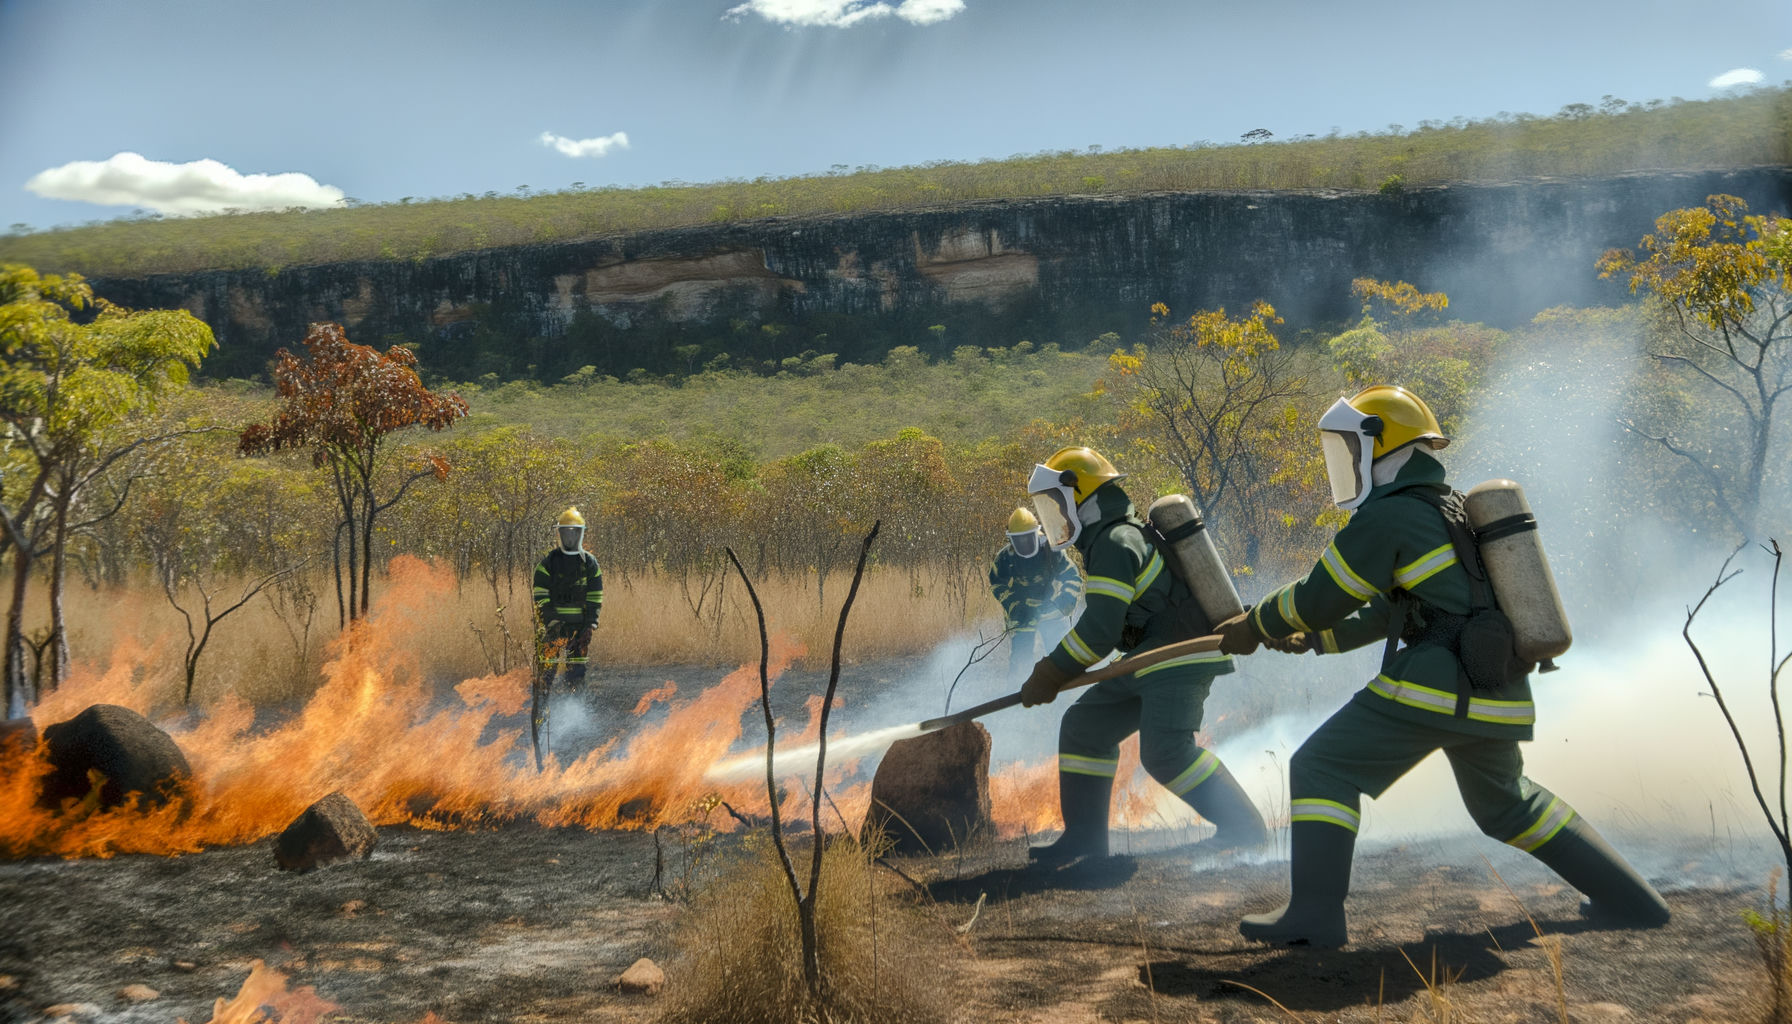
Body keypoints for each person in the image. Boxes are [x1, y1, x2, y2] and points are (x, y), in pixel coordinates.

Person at [1216, 384, 1669, 948]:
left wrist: (1255, 624)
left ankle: (1313, 915)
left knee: (1322, 768)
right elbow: (1392, 610)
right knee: (1507, 806)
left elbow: (1318, 596)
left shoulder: (1391, 518)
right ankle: (1633, 901)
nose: (1345, 465)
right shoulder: (1447, 511)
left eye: (1349, 449)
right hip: (1494, 687)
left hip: (1436, 686)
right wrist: (1315, 641)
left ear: (1381, 447)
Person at [1019, 446, 1267, 868]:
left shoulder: (1116, 542)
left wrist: (1050, 672)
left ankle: (1246, 828)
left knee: (1166, 751)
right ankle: (1085, 838)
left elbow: (1099, 632)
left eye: (1058, 504)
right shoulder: (1111, 539)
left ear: (1080, 496)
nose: (1055, 517)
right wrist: (1054, 673)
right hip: (1148, 658)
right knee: (1084, 728)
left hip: (1178, 656)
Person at [989, 507, 1083, 680]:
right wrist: (1014, 606)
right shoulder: (1006, 557)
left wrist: (1062, 604)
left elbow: (1072, 577)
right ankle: (1017, 694)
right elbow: (997, 583)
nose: (1024, 543)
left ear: (1037, 533)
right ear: (1011, 540)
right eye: (1019, 540)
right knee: (1020, 660)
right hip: (1022, 614)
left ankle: (1065, 692)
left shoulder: (1052, 551)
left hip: (1050, 610)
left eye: (1028, 538)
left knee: (1061, 656)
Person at [532, 507, 604, 696]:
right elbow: (540, 597)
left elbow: (595, 597)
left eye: (575, 532)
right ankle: (542, 712)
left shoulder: (589, 563)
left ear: (581, 534)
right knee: (546, 674)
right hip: (552, 628)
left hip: (579, 629)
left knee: (576, 677)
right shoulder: (548, 563)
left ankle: (574, 712)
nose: (570, 537)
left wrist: (590, 626)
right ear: (560, 533)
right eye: (566, 531)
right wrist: (552, 623)